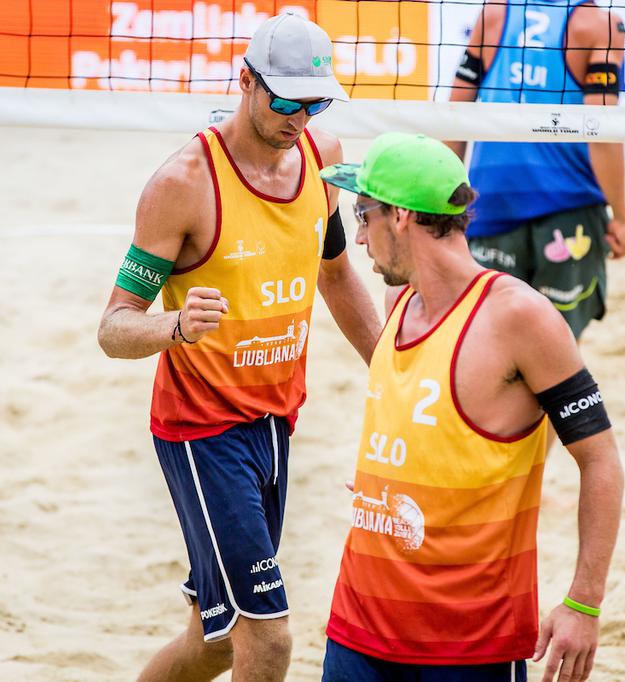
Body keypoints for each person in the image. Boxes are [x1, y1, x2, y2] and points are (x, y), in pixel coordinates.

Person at [96, 12, 380, 682]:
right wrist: (176, 328)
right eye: (285, 100)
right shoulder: (183, 185)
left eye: (315, 103)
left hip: (276, 420)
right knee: (269, 638)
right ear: (245, 81)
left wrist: (393, 369)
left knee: (215, 640)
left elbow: (336, 274)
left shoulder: (320, 158)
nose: (299, 117)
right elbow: (113, 326)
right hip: (202, 434)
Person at [318, 133, 623, 682]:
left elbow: (601, 460)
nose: (361, 235)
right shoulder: (397, 302)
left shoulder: (519, 319)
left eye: (365, 214)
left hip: (470, 638)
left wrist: (583, 603)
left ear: (404, 217)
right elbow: (429, 419)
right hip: (360, 620)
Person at [447, 0, 625, 339]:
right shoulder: (599, 24)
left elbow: (454, 118)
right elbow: (602, 132)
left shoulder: (494, 13)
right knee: (554, 351)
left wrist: (445, 201)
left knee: (492, 347)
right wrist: (621, 216)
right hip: (568, 206)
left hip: (491, 200)